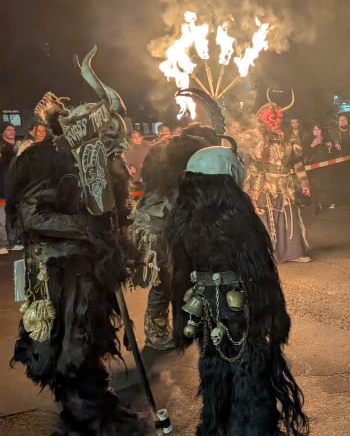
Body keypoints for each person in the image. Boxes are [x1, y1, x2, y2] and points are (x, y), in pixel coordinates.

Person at [9, 48, 143, 433]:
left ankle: (93, 396)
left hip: (87, 262)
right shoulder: (42, 161)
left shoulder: (92, 158)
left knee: (91, 335)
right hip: (58, 268)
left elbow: (108, 208)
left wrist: (119, 240)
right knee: (70, 340)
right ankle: (80, 412)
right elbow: (32, 216)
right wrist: (84, 228)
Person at [168, 146, 308, 436]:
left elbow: (180, 275)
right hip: (243, 309)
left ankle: (217, 426)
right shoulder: (238, 216)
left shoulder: (182, 217)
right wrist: (276, 317)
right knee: (250, 371)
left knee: (215, 367)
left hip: (206, 307)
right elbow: (260, 272)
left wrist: (181, 321)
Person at [129, 129, 214, 350]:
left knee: (173, 279)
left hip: (160, 225)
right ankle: (155, 333)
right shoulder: (174, 177)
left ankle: (176, 327)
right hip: (155, 229)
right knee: (162, 281)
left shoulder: (168, 163)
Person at [228, 100, 312, 263]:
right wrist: (224, 129)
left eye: (278, 119)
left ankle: (293, 253)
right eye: (272, 120)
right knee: (264, 218)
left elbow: (297, 163)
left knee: (288, 216)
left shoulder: (288, 139)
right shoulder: (254, 137)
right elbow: (234, 141)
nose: (276, 123)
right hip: (262, 185)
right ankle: (265, 255)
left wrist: (304, 182)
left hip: (284, 185)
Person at [304, 123, 337, 213]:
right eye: (315, 129)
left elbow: (333, 153)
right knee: (316, 187)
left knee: (326, 186)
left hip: (326, 167)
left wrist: (331, 146)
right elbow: (304, 153)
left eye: (318, 129)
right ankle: (315, 206)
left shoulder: (326, 139)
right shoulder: (308, 140)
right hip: (315, 168)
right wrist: (312, 145)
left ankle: (323, 204)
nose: (317, 131)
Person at [0, 122, 18, 255]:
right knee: (1, 219)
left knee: (12, 217)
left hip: (14, 189)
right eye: (8, 130)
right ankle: (2, 244)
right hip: (2, 190)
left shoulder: (19, 147)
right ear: (3, 133)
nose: (12, 132)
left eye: (13, 129)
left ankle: (13, 242)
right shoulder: (2, 149)